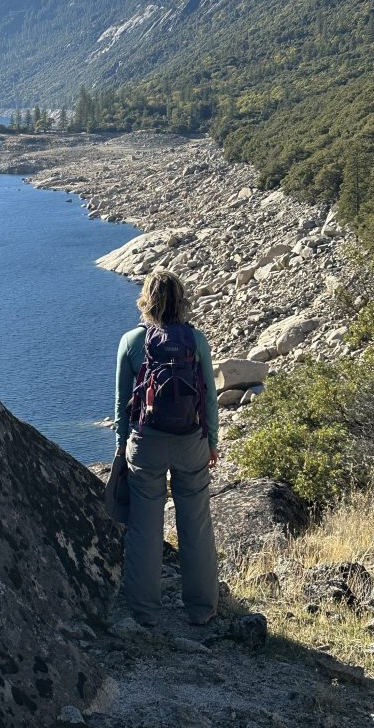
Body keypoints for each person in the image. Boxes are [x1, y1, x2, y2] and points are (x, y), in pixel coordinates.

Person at [114, 268, 219, 626]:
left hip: (146, 445)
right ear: (181, 299)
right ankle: (202, 609)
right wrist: (212, 443)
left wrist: (120, 448)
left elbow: (121, 405)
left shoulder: (131, 341)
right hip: (191, 442)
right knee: (197, 525)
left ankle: (145, 612)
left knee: (145, 526)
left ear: (147, 300)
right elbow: (209, 398)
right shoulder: (196, 340)